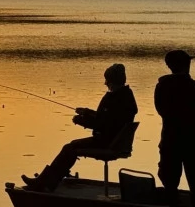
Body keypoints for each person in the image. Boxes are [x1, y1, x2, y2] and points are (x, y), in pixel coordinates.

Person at [22, 63, 137, 192]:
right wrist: (87, 112)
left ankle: (45, 183)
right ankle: (48, 180)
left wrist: (82, 121)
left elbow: (103, 124)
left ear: (113, 81)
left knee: (70, 148)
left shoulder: (114, 99)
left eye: (107, 80)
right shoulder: (127, 96)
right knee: (71, 146)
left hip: (106, 142)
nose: (105, 83)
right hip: (115, 140)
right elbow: (106, 118)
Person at [153, 49, 195, 207]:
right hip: (193, 144)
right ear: (187, 65)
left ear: (169, 66)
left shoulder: (161, 87)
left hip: (169, 141)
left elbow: (161, 111)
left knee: (170, 186)